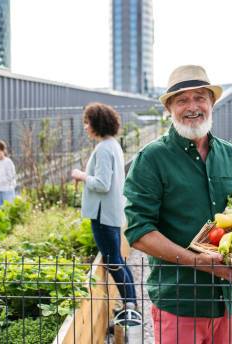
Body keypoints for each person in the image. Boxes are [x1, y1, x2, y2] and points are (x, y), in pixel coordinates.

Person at [123, 65, 232, 343]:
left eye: (200, 97)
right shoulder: (153, 158)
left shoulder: (231, 156)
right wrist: (199, 262)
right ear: (169, 107)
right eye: (182, 100)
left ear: (212, 102)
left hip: (226, 301)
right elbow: (139, 232)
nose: (192, 106)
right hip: (179, 301)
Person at [71, 103, 138, 310]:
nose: (85, 127)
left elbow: (102, 184)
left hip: (102, 215)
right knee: (117, 260)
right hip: (112, 212)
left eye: (87, 122)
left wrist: (81, 175)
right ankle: (131, 303)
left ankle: (130, 306)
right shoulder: (113, 145)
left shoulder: (103, 149)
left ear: (96, 123)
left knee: (113, 262)